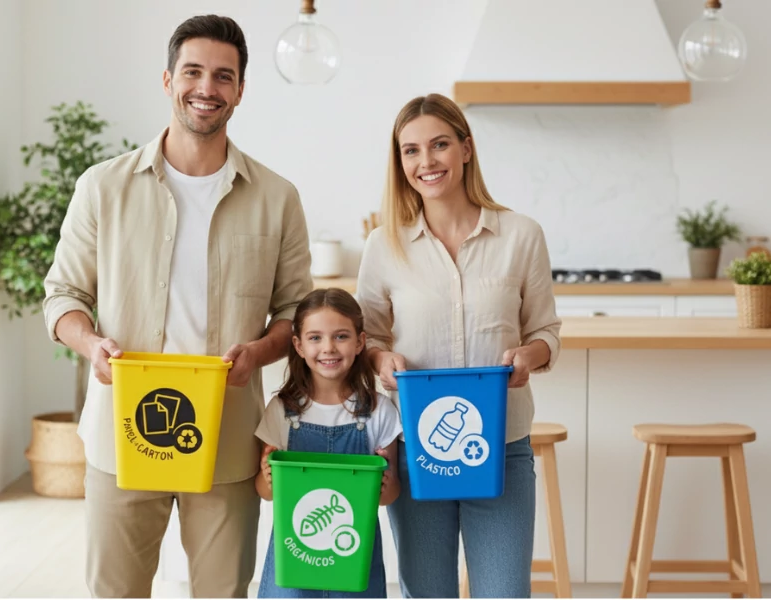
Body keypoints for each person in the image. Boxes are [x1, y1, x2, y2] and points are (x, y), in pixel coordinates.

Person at [42, 14, 314, 599]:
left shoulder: (277, 198)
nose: (206, 88)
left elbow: (295, 312)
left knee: (222, 592)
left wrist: (261, 350)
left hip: (227, 438)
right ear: (167, 80)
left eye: (223, 76)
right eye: (193, 71)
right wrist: (91, 344)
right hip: (123, 434)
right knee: (115, 592)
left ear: (240, 90)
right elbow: (63, 295)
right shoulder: (102, 187)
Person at [355, 93, 562, 598]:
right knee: (426, 591)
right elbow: (368, 338)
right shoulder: (384, 245)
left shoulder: (521, 235)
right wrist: (382, 360)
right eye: (411, 151)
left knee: (505, 592)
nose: (426, 162)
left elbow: (546, 332)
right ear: (399, 161)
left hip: (502, 447)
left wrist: (527, 357)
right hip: (415, 450)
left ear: (466, 149)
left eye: (440, 145)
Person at [253, 288, 402, 598]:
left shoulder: (380, 411)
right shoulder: (282, 410)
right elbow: (264, 493)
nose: (329, 348)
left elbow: (389, 496)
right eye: (316, 337)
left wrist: (384, 484)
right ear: (298, 345)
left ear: (361, 342)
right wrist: (268, 477)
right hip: (295, 553)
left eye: (341, 336)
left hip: (354, 553)